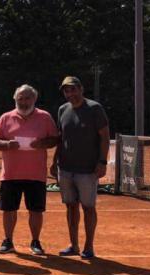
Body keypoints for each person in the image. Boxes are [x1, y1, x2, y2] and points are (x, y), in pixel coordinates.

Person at [0, 85, 58, 255]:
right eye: (20, 98)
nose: (24, 101)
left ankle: (35, 241)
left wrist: (42, 144)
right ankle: (8, 241)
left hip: (36, 174)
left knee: (35, 210)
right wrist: (6, 144)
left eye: (27, 98)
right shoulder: (6, 118)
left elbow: (54, 139)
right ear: (15, 99)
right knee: (8, 209)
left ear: (34, 99)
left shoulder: (45, 117)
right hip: (10, 174)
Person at [52, 76, 110, 259]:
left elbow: (105, 137)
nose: (70, 94)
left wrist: (102, 162)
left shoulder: (95, 109)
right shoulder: (62, 110)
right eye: (66, 91)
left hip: (88, 170)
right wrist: (54, 162)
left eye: (73, 89)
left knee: (88, 207)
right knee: (70, 207)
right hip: (66, 168)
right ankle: (74, 245)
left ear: (81, 89)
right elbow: (61, 139)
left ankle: (88, 246)